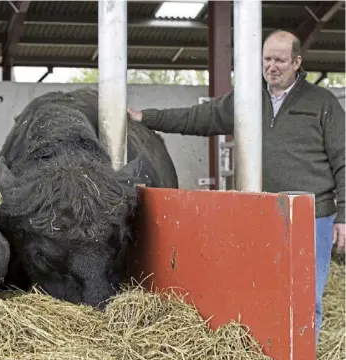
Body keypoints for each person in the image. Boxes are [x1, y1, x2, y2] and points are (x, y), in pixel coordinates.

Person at [127, 29, 345, 343]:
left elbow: (344, 159)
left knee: (307, 297)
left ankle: (303, 349)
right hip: (262, 215)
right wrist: (147, 118)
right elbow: (199, 118)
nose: (272, 66)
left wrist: (343, 217)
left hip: (313, 218)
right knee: (261, 290)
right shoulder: (247, 99)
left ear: (297, 62)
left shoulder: (321, 103)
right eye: (267, 59)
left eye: (280, 60)